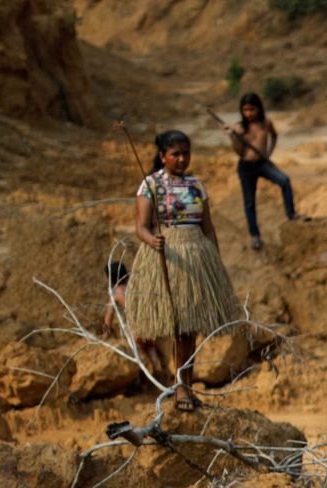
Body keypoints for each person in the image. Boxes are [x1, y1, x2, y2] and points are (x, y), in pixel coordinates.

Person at [125, 129, 242, 413]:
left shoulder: (196, 185)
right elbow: (140, 227)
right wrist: (152, 240)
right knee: (178, 327)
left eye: (186, 153)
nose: (181, 159)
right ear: (163, 155)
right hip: (166, 255)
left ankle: (186, 386)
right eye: (175, 154)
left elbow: (208, 227)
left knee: (189, 328)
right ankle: (180, 388)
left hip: (196, 256)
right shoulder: (150, 184)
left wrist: (214, 259)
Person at [223, 93, 298, 251]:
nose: (248, 113)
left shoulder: (266, 123)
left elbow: (274, 136)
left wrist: (269, 152)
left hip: (263, 163)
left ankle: (291, 215)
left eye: (252, 109)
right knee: (250, 202)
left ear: (259, 108)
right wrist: (233, 138)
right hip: (246, 166)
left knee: (284, 181)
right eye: (245, 110)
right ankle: (255, 236)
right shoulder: (240, 127)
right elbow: (239, 152)